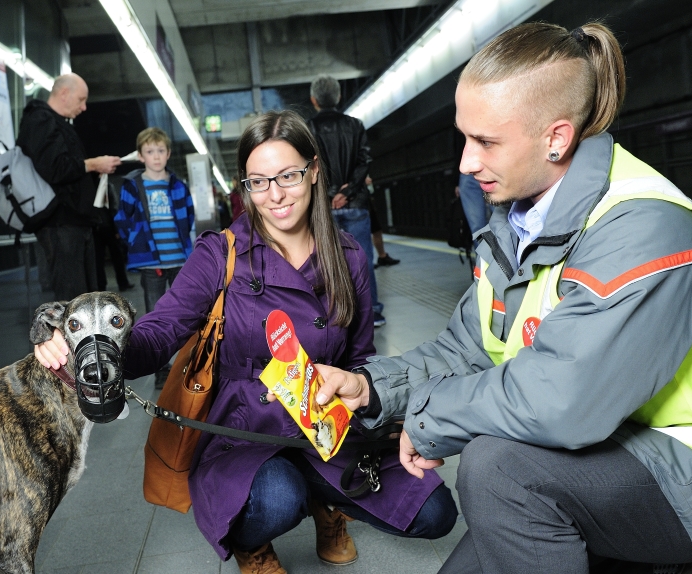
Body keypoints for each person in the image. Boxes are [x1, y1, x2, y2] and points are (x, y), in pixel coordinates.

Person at [315, 22, 692, 574]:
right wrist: (371, 389)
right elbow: (468, 350)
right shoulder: (516, 223)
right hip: (598, 454)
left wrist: (430, 418)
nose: (465, 162)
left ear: (556, 138)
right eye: (464, 138)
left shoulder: (646, 227)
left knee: (496, 466)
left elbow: (565, 398)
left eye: (485, 142)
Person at [35, 111, 456, 574]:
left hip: (323, 423)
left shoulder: (349, 257)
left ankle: (327, 506)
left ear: (314, 171)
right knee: (277, 499)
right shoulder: (221, 253)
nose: (274, 195)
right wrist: (93, 346)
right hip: (244, 428)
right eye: (258, 182)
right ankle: (253, 545)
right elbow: (160, 332)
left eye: (288, 176)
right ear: (244, 188)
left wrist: (364, 397)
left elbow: (360, 357)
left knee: (434, 513)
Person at [16, 73, 121, 301]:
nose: (84, 107)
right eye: (81, 99)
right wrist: (93, 164)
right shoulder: (40, 120)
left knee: (86, 297)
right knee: (73, 299)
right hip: (61, 222)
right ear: (64, 93)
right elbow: (54, 168)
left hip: (75, 221)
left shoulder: (57, 123)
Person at [114, 127, 195, 389]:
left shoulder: (178, 185)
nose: (156, 156)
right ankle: (161, 368)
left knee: (189, 310)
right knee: (155, 315)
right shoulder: (132, 186)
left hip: (179, 259)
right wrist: (134, 240)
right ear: (141, 156)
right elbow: (123, 218)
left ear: (168, 153)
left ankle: (192, 362)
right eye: (150, 151)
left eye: (161, 151)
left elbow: (189, 216)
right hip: (151, 262)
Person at [308, 75, 385, 327]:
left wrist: (329, 194)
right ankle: (372, 312)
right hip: (356, 205)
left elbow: (309, 165)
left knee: (328, 261)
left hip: (324, 208)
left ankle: (337, 315)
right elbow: (365, 161)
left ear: (314, 100)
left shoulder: (308, 127)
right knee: (362, 259)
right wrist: (348, 191)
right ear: (339, 97)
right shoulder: (355, 125)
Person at [366, 176, 399, 268]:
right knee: (362, 233)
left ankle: (382, 256)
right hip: (358, 201)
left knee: (377, 230)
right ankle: (366, 261)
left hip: (366, 198)